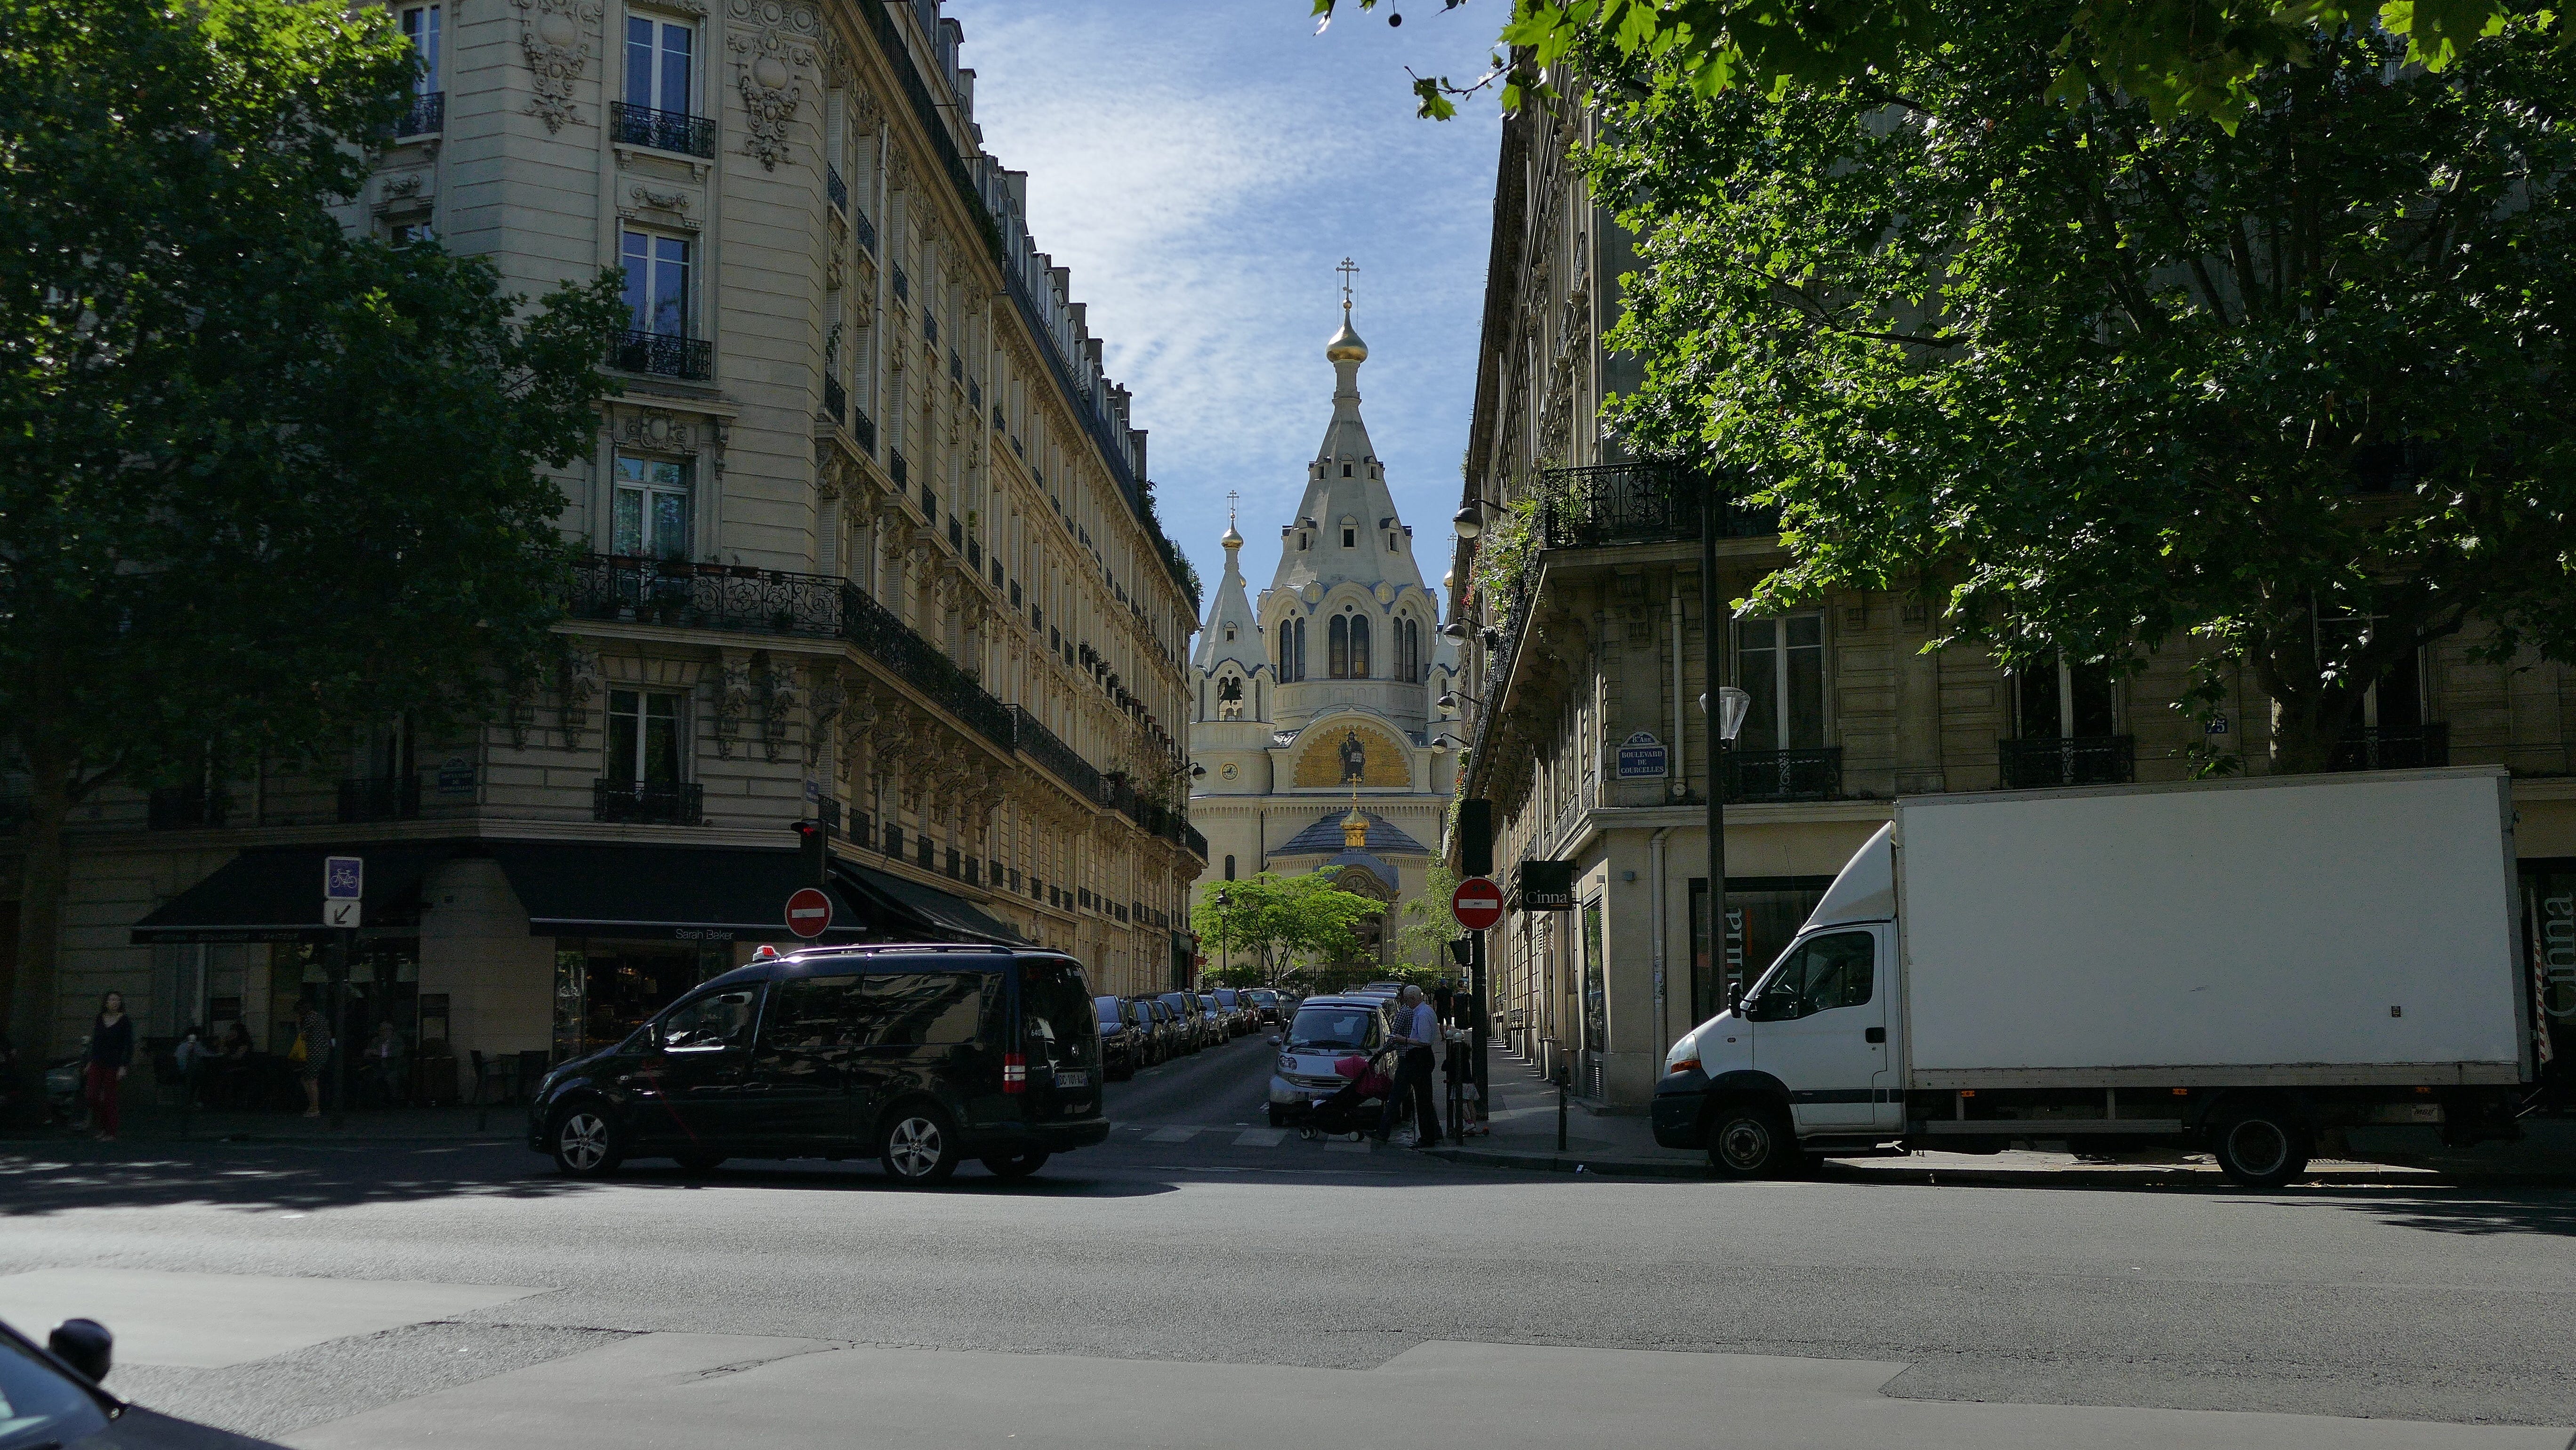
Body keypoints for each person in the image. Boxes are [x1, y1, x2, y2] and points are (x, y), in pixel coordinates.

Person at [1376, 985, 1444, 1149]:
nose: (1406, 1003)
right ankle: (1432, 1134)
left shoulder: (1421, 1014)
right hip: (1420, 1058)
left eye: (1407, 1000)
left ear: (1412, 999)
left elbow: (1424, 1041)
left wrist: (1403, 1040)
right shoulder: (1423, 1012)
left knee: (1419, 1100)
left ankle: (1427, 1138)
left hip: (1418, 1058)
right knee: (1423, 1099)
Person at [83, 991, 135, 1140]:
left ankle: (110, 1131)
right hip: (98, 1061)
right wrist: (91, 1061)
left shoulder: (124, 1021)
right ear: (106, 1002)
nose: (115, 1002)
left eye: (118, 1000)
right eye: (112, 1000)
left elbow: (128, 1044)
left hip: (114, 1063)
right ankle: (101, 1126)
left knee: (109, 1097)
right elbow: (97, 1041)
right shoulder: (100, 1019)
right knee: (92, 1095)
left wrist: (124, 1065)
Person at [296, 992, 333, 1118]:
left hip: (313, 1052)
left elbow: (304, 1036)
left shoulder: (308, 1019)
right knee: (311, 1078)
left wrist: (299, 1025)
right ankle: (313, 1106)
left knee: (310, 1080)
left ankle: (314, 1107)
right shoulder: (322, 1019)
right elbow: (328, 1034)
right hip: (324, 1051)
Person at [363, 1021, 406, 1107]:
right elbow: (369, 1052)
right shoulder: (376, 1041)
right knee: (371, 1077)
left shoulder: (397, 1041)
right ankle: (376, 1101)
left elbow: (398, 1053)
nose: (383, 1033)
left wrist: (380, 1053)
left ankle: (394, 1100)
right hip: (378, 1067)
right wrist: (368, 1053)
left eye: (385, 1030)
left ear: (391, 1031)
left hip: (393, 1067)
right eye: (381, 1031)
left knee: (391, 1077)